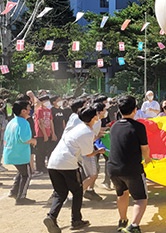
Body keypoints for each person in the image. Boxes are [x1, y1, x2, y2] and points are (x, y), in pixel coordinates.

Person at [43, 107, 102, 233]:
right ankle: (76, 220)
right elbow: (88, 153)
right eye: (96, 115)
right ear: (93, 118)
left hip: (53, 162)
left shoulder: (77, 128)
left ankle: (51, 217)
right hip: (68, 164)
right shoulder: (88, 132)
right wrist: (99, 151)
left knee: (60, 193)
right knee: (77, 191)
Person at [108, 96, 152, 233]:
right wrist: (148, 159)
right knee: (141, 198)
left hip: (113, 168)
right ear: (135, 110)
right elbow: (144, 148)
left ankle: (122, 221)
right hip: (132, 169)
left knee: (122, 194)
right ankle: (134, 226)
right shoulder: (138, 127)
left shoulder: (114, 126)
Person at [3, 100, 37, 204]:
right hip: (20, 154)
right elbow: (24, 138)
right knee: (27, 174)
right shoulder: (24, 123)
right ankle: (21, 197)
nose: (30, 110)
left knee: (21, 172)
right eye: (28, 108)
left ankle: (14, 191)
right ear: (23, 111)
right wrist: (33, 141)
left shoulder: (12, 122)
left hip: (11, 152)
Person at [34, 95, 56, 175]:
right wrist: (44, 134)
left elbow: (51, 122)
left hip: (48, 132)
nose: (47, 102)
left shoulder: (48, 110)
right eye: (45, 101)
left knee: (45, 151)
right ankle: (39, 167)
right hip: (40, 134)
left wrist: (52, 133)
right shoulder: (39, 110)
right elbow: (40, 122)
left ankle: (43, 166)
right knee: (40, 151)